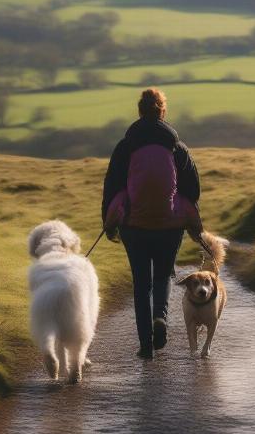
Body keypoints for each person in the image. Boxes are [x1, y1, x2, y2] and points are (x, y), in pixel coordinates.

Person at [102, 88, 201, 359]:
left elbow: (111, 187)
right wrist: (189, 217)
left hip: (134, 226)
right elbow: (192, 188)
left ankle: (146, 346)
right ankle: (161, 317)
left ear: (140, 111)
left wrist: (108, 224)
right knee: (162, 276)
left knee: (141, 284)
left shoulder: (125, 146)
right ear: (162, 111)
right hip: (169, 226)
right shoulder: (176, 147)